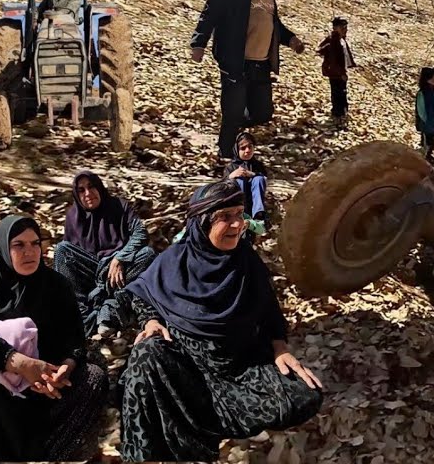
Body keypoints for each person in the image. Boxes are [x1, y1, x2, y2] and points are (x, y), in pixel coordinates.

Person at [120, 180, 323, 462]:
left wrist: (280, 347)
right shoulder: (174, 260)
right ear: (202, 223)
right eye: (225, 217)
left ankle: (199, 418)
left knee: (305, 396)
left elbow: (269, 310)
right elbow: (142, 294)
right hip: (188, 366)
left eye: (240, 214)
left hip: (239, 364)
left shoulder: (246, 262)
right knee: (146, 354)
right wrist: (150, 322)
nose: (238, 225)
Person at [0, 216, 109, 460]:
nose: (30, 252)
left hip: (49, 384)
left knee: (94, 378)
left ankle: (55, 453)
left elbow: (75, 337)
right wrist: (22, 364)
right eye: (19, 245)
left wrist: (65, 367)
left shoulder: (56, 285)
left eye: (35, 243)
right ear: (2, 247)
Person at [190, 0, 305, 162]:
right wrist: (199, 44)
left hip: (260, 64)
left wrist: (290, 39)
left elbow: (273, 25)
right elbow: (209, 14)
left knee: (263, 112)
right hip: (235, 62)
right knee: (233, 111)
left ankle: (232, 127)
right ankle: (225, 156)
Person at [52, 171, 158, 336]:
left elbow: (140, 233)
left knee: (147, 254)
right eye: (81, 190)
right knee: (62, 250)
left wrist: (120, 257)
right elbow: (72, 263)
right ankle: (85, 313)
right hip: (91, 272)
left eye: (91, 186)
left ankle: (107, 305)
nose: (88, 194)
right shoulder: (73, 217)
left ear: (99, 187)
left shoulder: (118, 206)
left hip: (118, 272)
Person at [316, 17, 356, 126]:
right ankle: (338, 115)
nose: (345, 29)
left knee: (340, 92)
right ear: (335, 28)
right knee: (339, 93)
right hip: (335, 73)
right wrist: (342, 73)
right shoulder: (334, 41)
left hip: (337, 72)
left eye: (346, 27)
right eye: (342, 27)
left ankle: (341, 113)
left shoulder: (340, 39)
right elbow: (335, 60)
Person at [225, 131, 270, 223]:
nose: (247, 150)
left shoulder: (258, 165)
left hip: (253, 199)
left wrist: (252, 174)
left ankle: (258, 213)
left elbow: (265, 180)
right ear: (237, 150)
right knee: (239, 180)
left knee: (259, 179)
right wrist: (232, 176)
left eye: (250, 147)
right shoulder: (231, 167)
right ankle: (241, 212)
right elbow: (223, 186)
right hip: (238, 202)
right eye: (243, 148)